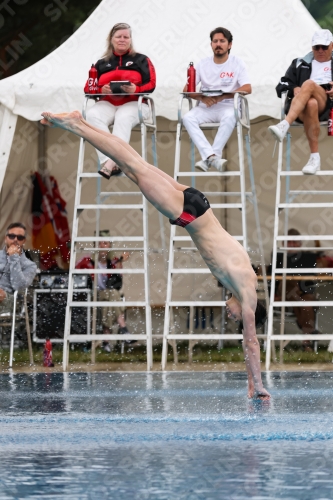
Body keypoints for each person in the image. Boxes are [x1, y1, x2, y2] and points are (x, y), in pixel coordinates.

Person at [41, 111, 270, 400]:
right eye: (237, 316)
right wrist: (259, 385)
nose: (231, 314)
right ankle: (76, 125)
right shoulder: (248, 296)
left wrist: (250, 384)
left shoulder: (243, 279)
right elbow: (251, 343)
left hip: (198, 203)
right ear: (250, 311)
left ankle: (83, 124)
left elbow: (247, 343)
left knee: (136, 164)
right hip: (188, 214)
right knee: (132, 166)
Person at [84, 22, 156, 179]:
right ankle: (112, 161)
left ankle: (110, 164)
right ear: (111, 39)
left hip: (134, 103)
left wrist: (136, 89)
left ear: (130, 39)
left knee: (122, 118)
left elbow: (151, 84)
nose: (122, 39)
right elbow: (88, 88)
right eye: (119, 36)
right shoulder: (101, 63)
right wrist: (100, 90)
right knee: (92, 115)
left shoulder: (141, 60)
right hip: (108, 102)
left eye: (126, 37)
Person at [182, 27, 251, 172]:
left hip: (228, 105)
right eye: (215, 41)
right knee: (187, 117)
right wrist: (201, 97)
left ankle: (209, 157)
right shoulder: (202, 63)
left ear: (229, 44)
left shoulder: (237, 63)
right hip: (206, 106)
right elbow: (186, 90)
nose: (218, 44)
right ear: (211, 44)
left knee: (231, 115)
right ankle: (212, 157)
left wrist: (223, 96)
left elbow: (247, 88)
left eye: (222, 41)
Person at [269, 29, 333, 175]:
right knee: (311, 103)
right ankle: (314, 158)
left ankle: (284, 124)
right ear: (312, 47)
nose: (320, 50)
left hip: (327, 105)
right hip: (303, 109)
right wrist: (294, 89)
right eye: (317, 47)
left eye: (324, 47)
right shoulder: (299, 63)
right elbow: (281, 85)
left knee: (309, 84)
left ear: (332, 46)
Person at [76, 239, 134, 352]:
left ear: (109, 247)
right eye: (99, 243)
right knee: (112, 295)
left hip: (108, 297)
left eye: (105, 243)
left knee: (110, 298)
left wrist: (120, 262)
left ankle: (106, 342)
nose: (102, 246)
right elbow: (74, 273)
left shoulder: (113, 262)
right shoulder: (86, 261)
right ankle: (123, 328)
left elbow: (118, 281)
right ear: (95, 246)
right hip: (93, 295)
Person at [271, 228, 321, 352]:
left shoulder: (308, 257)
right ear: (283, 244)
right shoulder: (278, 256)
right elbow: (273, 279)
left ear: (300, 244)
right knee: (289, 281)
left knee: (307, 302)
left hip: (302, 294)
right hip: (285, 292)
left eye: (294, 242)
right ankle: (309, 333)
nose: (291, 245)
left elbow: (312, 279)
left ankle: (306, 343)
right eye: (289, 242)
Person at [0, 222, 37, 315]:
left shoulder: (30, 265)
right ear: (6, 238)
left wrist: (14, 258)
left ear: (24, 241)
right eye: (12, 236)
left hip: (13, 299)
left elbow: (19, 287)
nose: (15, 239)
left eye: (20, 237)